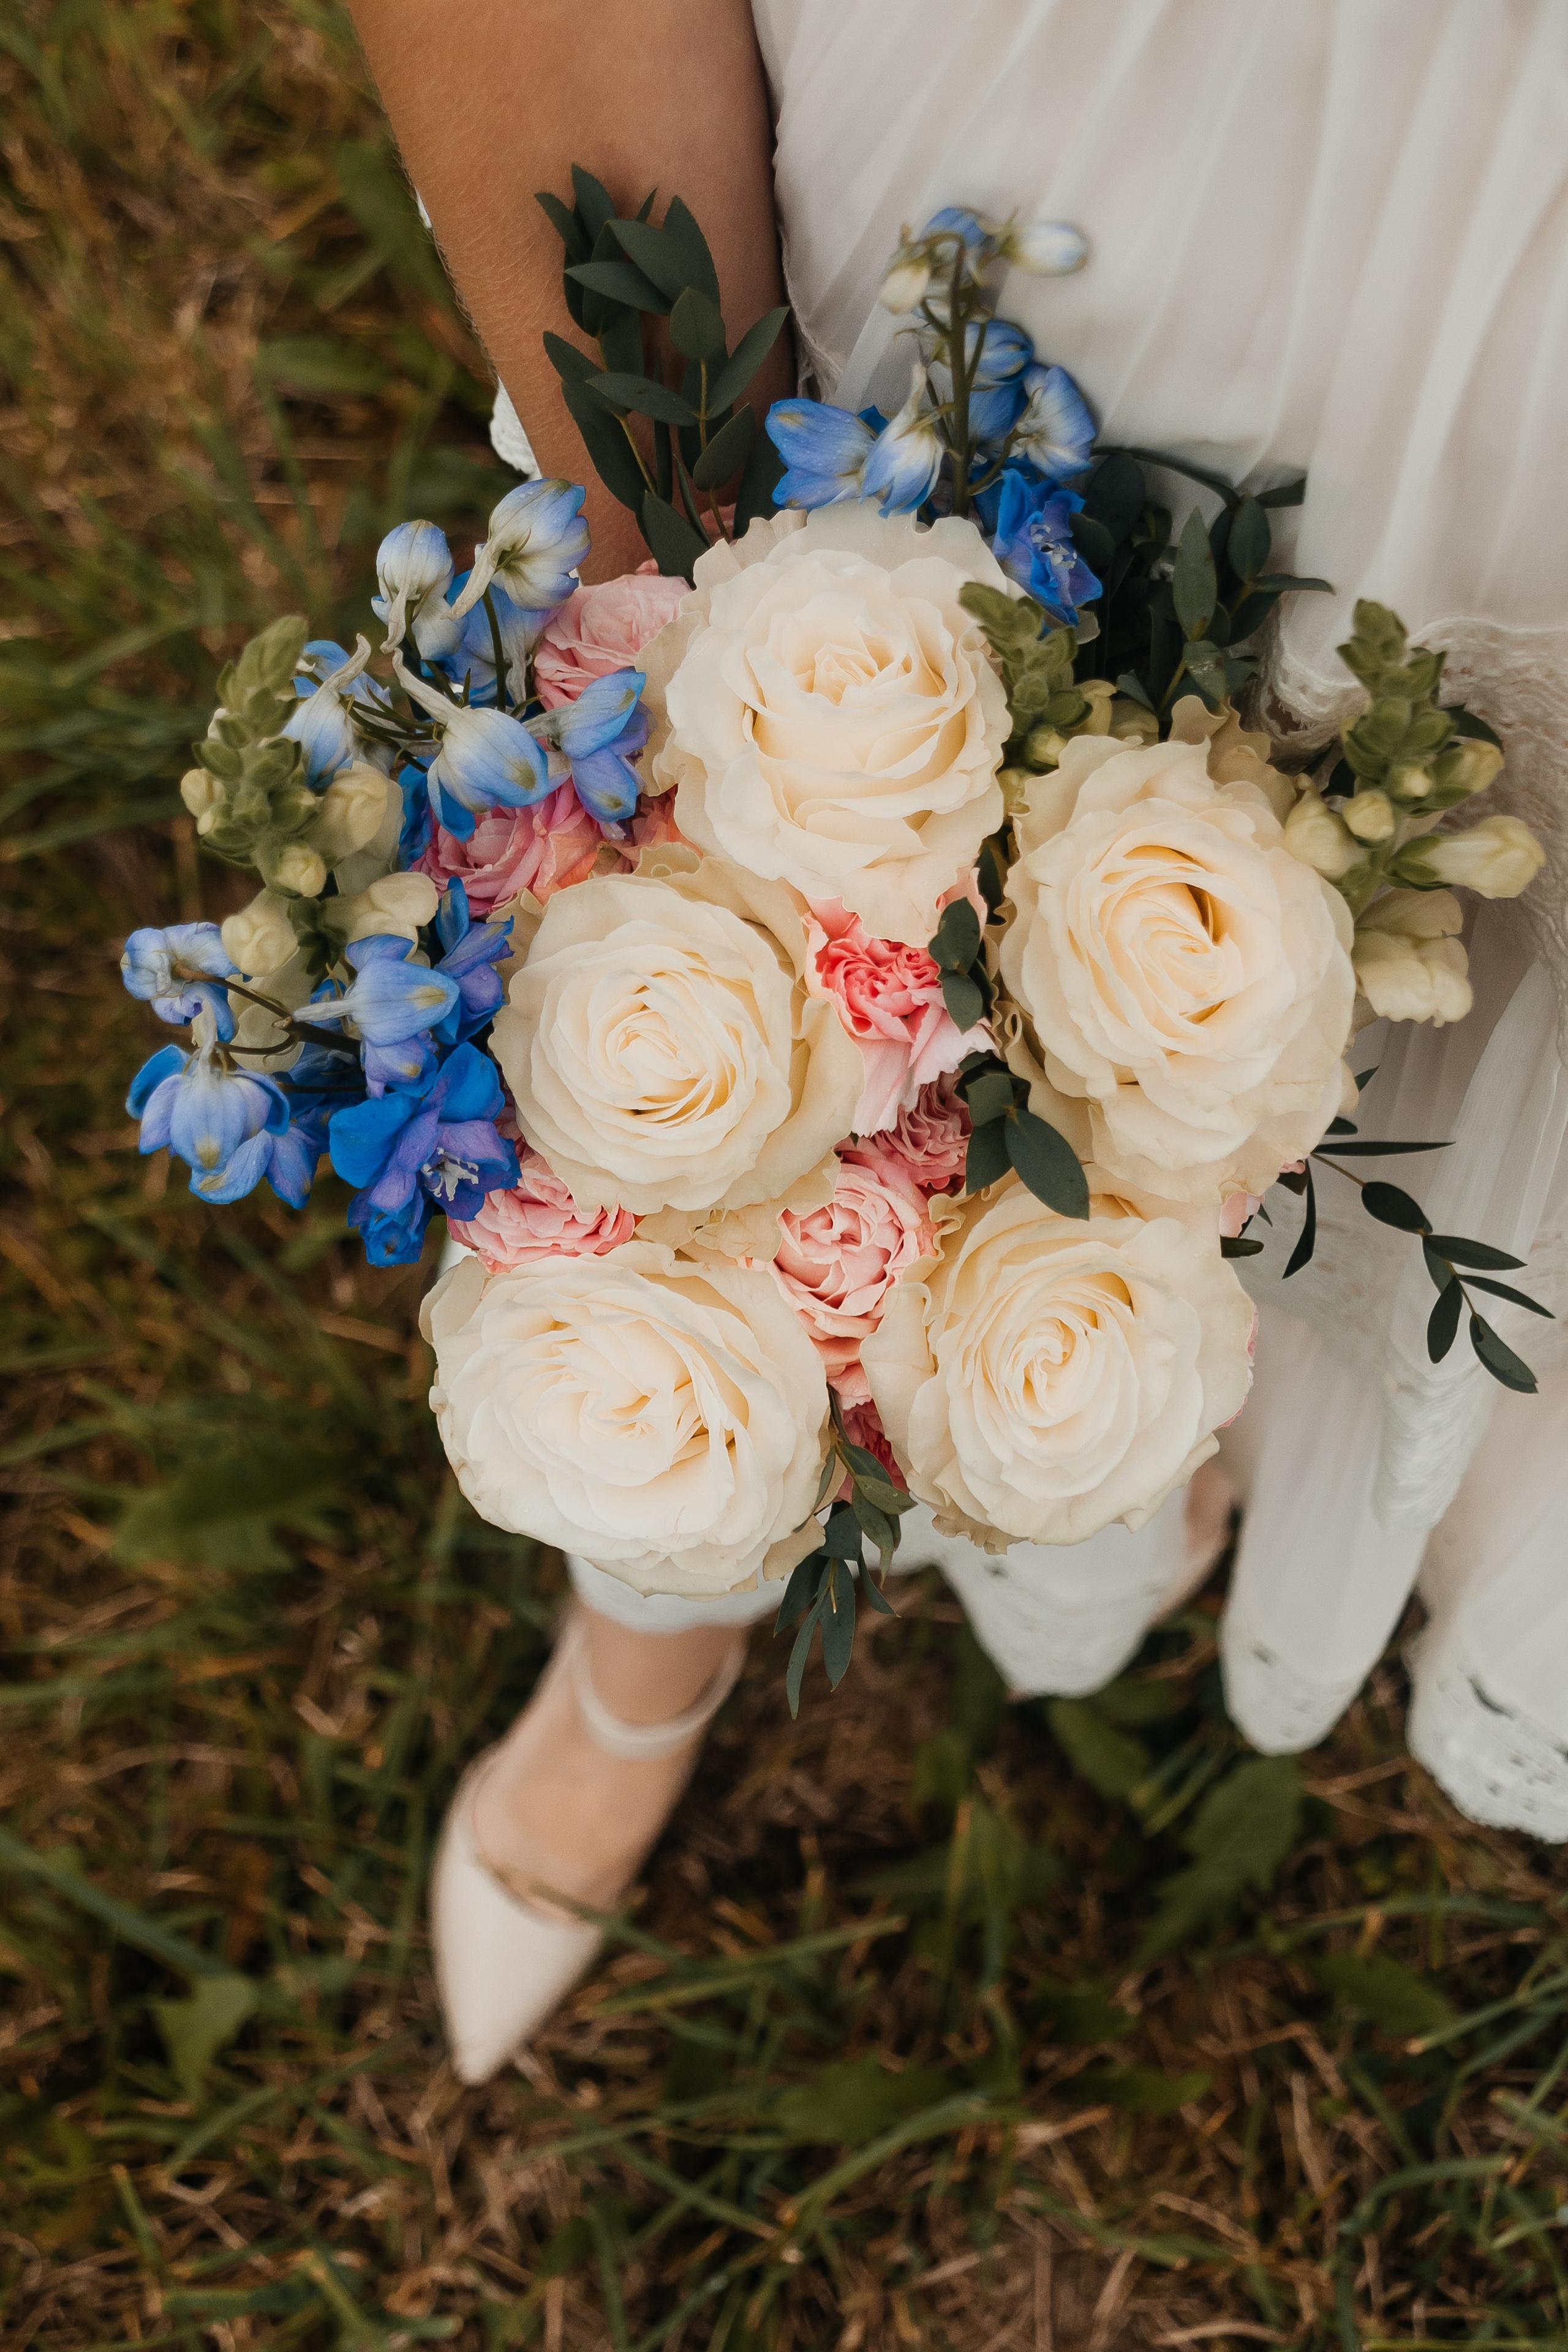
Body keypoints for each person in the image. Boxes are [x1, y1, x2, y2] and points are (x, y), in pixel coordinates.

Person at [347, 0, 1568, 2082]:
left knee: (1365, 976)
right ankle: (660, 1603)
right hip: (1080, 148)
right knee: (677, 1067)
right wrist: (667, 655)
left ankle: (1146, 1413)